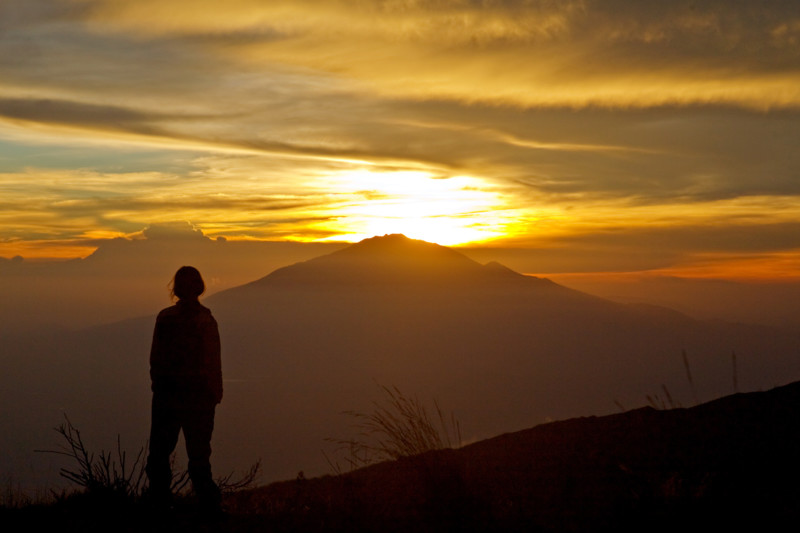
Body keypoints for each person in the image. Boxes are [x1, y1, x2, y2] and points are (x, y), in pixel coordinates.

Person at [145, 266, 223, 513]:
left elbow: (155, 359)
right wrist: (214, 394)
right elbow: (213, 361)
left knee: (159, 452)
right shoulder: (205, 321)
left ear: (176, 289)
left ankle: (159, 501)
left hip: (167, 396)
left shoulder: (165, 318)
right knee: (199, 454)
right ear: (199, 287)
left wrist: (159, 387)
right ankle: (208, 505)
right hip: (198, 398)